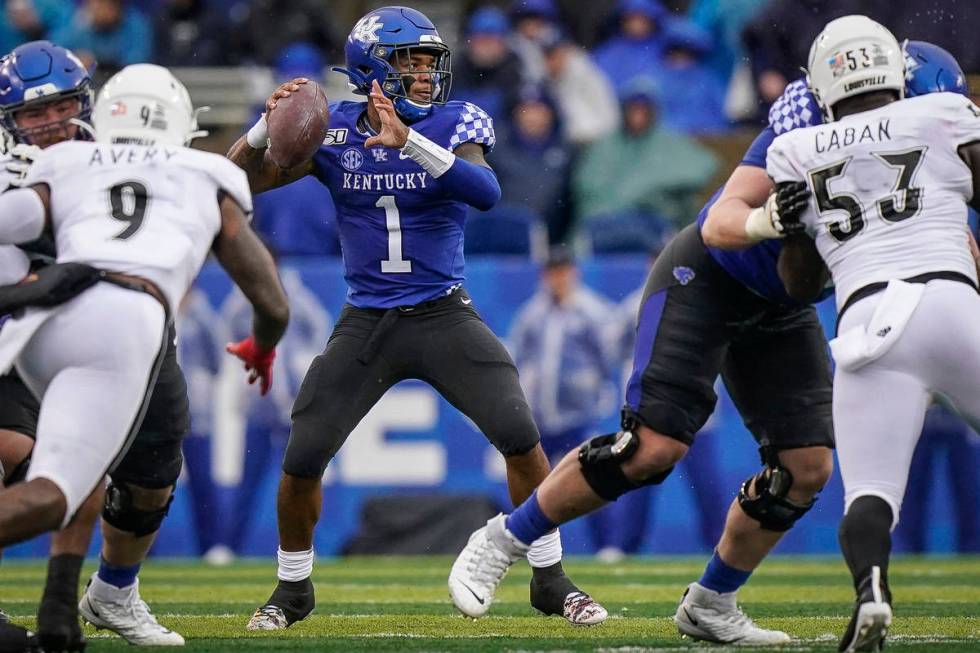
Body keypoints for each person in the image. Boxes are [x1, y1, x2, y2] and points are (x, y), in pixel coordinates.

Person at [229, 6, 606, 630]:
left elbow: (485, 191)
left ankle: (550, 576)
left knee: (521, 436)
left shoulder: (457, 120)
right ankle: (292, 589)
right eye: (411, 60)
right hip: (367, 318)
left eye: (430, 60)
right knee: (302, 458)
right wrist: (267, 131)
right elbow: (236, 183)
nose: (426, 72)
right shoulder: (335, 128)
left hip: (442, 313)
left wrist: (412, 142)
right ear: (373, 67)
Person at [766, 20, 980, 651]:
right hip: (948, 301)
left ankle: (872, 591)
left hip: (866, 325)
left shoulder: (796, 150)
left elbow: (801, 285)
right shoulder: (940, 112)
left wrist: (792, 224)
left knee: (869, 493)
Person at [0, 40, 197, 649]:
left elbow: (210, 195)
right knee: (19, 449)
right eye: (33, 114)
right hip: (19, 330)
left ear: (85, 104)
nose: (50, 124)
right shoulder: (9, 175)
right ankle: (57, 606)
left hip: (117, 326)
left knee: (147, 477)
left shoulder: (116, 152)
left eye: (60, 107)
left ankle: (101, 597)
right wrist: (33, 286)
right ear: (11, 122)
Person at [510, 247, 619, 554]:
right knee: (531, 476)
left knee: (592, 476)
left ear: (574, 272)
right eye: (552, 272)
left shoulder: (592, 311)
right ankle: (524, 541)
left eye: (563, 271)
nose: (558, 278)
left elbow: (607, 357)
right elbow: (521, 358)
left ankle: (607, 545)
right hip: (541, 414)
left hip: (579, 414)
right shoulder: (532, 314)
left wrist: (598, 393)